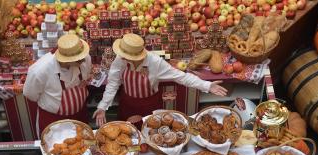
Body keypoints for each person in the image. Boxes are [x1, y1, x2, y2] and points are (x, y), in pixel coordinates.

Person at [92, 33, 228, 126]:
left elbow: (181, 77)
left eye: (124, 56)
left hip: (149, 106)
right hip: (127, 104)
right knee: (128, 138)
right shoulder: (121, 58)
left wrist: (207, 86)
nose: (121, 58)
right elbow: (113, 83)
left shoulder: (155, 62)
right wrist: (103, 106)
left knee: (151, 136)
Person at [23, 34, 91, 138]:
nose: (83, 60)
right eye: (79, 59)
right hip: (53, 121)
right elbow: (30, 94)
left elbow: (85, 78)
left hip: (80, 116)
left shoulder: (84, 58)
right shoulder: (40, 70)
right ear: (66, 59)